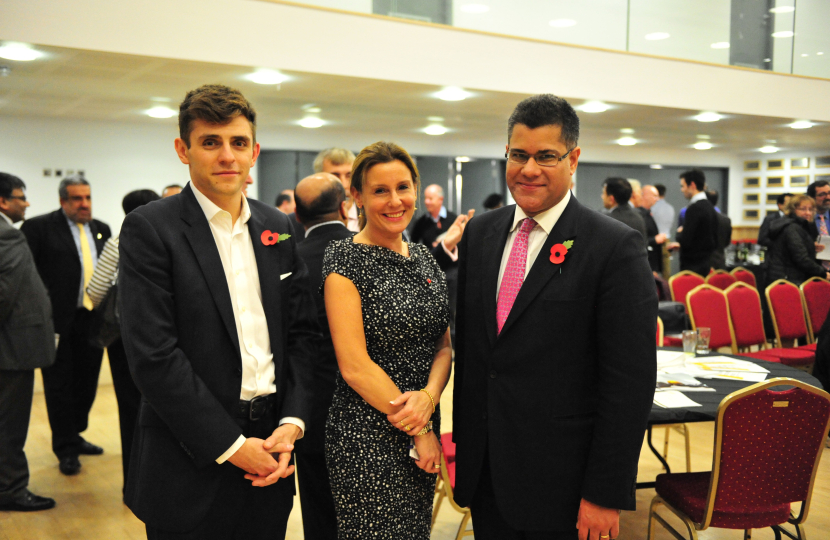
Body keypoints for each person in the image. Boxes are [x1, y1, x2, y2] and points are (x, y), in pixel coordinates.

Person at [453, 94, 656, 540]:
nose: (529, 169)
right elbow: (473, 354)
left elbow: (630, 382)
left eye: (546, 156)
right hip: (486, 473)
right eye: (518, 155)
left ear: (573, 159)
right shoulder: (481, 234)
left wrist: (605, 492)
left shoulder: (613, 248)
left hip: (563, 483)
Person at [118, 84, 317, 539]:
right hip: (189, 453)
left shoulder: (279, 226)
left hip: (272, 447)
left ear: (254, 152)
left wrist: (292, 422)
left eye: (238, 143)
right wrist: (231, 445)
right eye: (211, 142)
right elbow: (154, 355)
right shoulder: (151, 228)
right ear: (183, 150)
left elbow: (303, 335)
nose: (227, 155)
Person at [322, 141, 452, 539]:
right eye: (380, 191)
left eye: (403, 187)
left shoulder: (425, 257)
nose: (395, 201)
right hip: (368, 435)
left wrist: (428, 400)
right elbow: (355, 367)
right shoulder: (343, 260)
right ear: (357, 196)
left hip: (421, 422)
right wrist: (422, 431)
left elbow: (444, 345)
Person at [20, 175, 111, 476]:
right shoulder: (38, 228)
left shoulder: (100, 229)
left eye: (87, 197)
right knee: (59, 386)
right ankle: (66, 449)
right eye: (76, 199)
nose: (84, 204)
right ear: (62, 201)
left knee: (86, 383)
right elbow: (29, 275)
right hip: (57, 322)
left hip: (91, 321)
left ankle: (76, 433)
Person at [85, 189, 160, 496]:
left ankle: (134, 484)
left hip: (125, 339)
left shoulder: (117, 242)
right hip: (166, 337)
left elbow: (95, 289)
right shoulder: (169, 238)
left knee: (130, 408)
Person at [292, 172, 352, 540]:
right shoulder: (368, 252)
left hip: (310, 405)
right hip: (371, 405)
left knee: (319, 510)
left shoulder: (291, 260)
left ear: (298, 217)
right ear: (345, 207)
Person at [0, 173, 57, 512]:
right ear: (3, 201)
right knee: (10, 422)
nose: (27, 203)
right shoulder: (7, 235)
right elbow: (4, 294)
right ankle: (10, 489)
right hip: (10, 349)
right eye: (21, 197)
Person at [766, 194, 830, 285]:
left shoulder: (795, 225)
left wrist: (811, 246)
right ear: (792, 209)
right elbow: (801, 258)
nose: (808, 213)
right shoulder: (792, 227)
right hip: (788, 279)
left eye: (810, 209)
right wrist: (823, 273)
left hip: (787, 277)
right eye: (803, 209)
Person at [667, 169, 718, 276]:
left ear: (692, 185)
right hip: (706, 264)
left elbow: (686, 240)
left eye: (683, 186)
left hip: (692, 268)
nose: (682, 190)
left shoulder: (694, 208)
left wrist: (680, 233)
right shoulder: (710, 207)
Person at [314, 147, 359, 232]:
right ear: (318, 179)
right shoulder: (298, 222)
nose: (344, 184)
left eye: (349, 176)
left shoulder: (372, 218)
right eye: (335, 176)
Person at [641, 185, 668, 275]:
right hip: (647, 262)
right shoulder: (640, 215)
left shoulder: (648, 213)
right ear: (645, 195)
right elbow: (640, 240)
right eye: (654, 196)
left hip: (653, 263)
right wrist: (655, 240)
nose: (657, 199)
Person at [807, 180, 830, 271]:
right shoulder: (804, 219)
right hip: (812, 268)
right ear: (811, 198)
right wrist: (810, 246)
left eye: (829, 193)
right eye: (822, 194)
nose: (828, 197)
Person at [706, 190, 732, 270]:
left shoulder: (702, 218)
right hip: (720, 261)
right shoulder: (726, 220)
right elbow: (727, 242)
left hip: (705, 263)